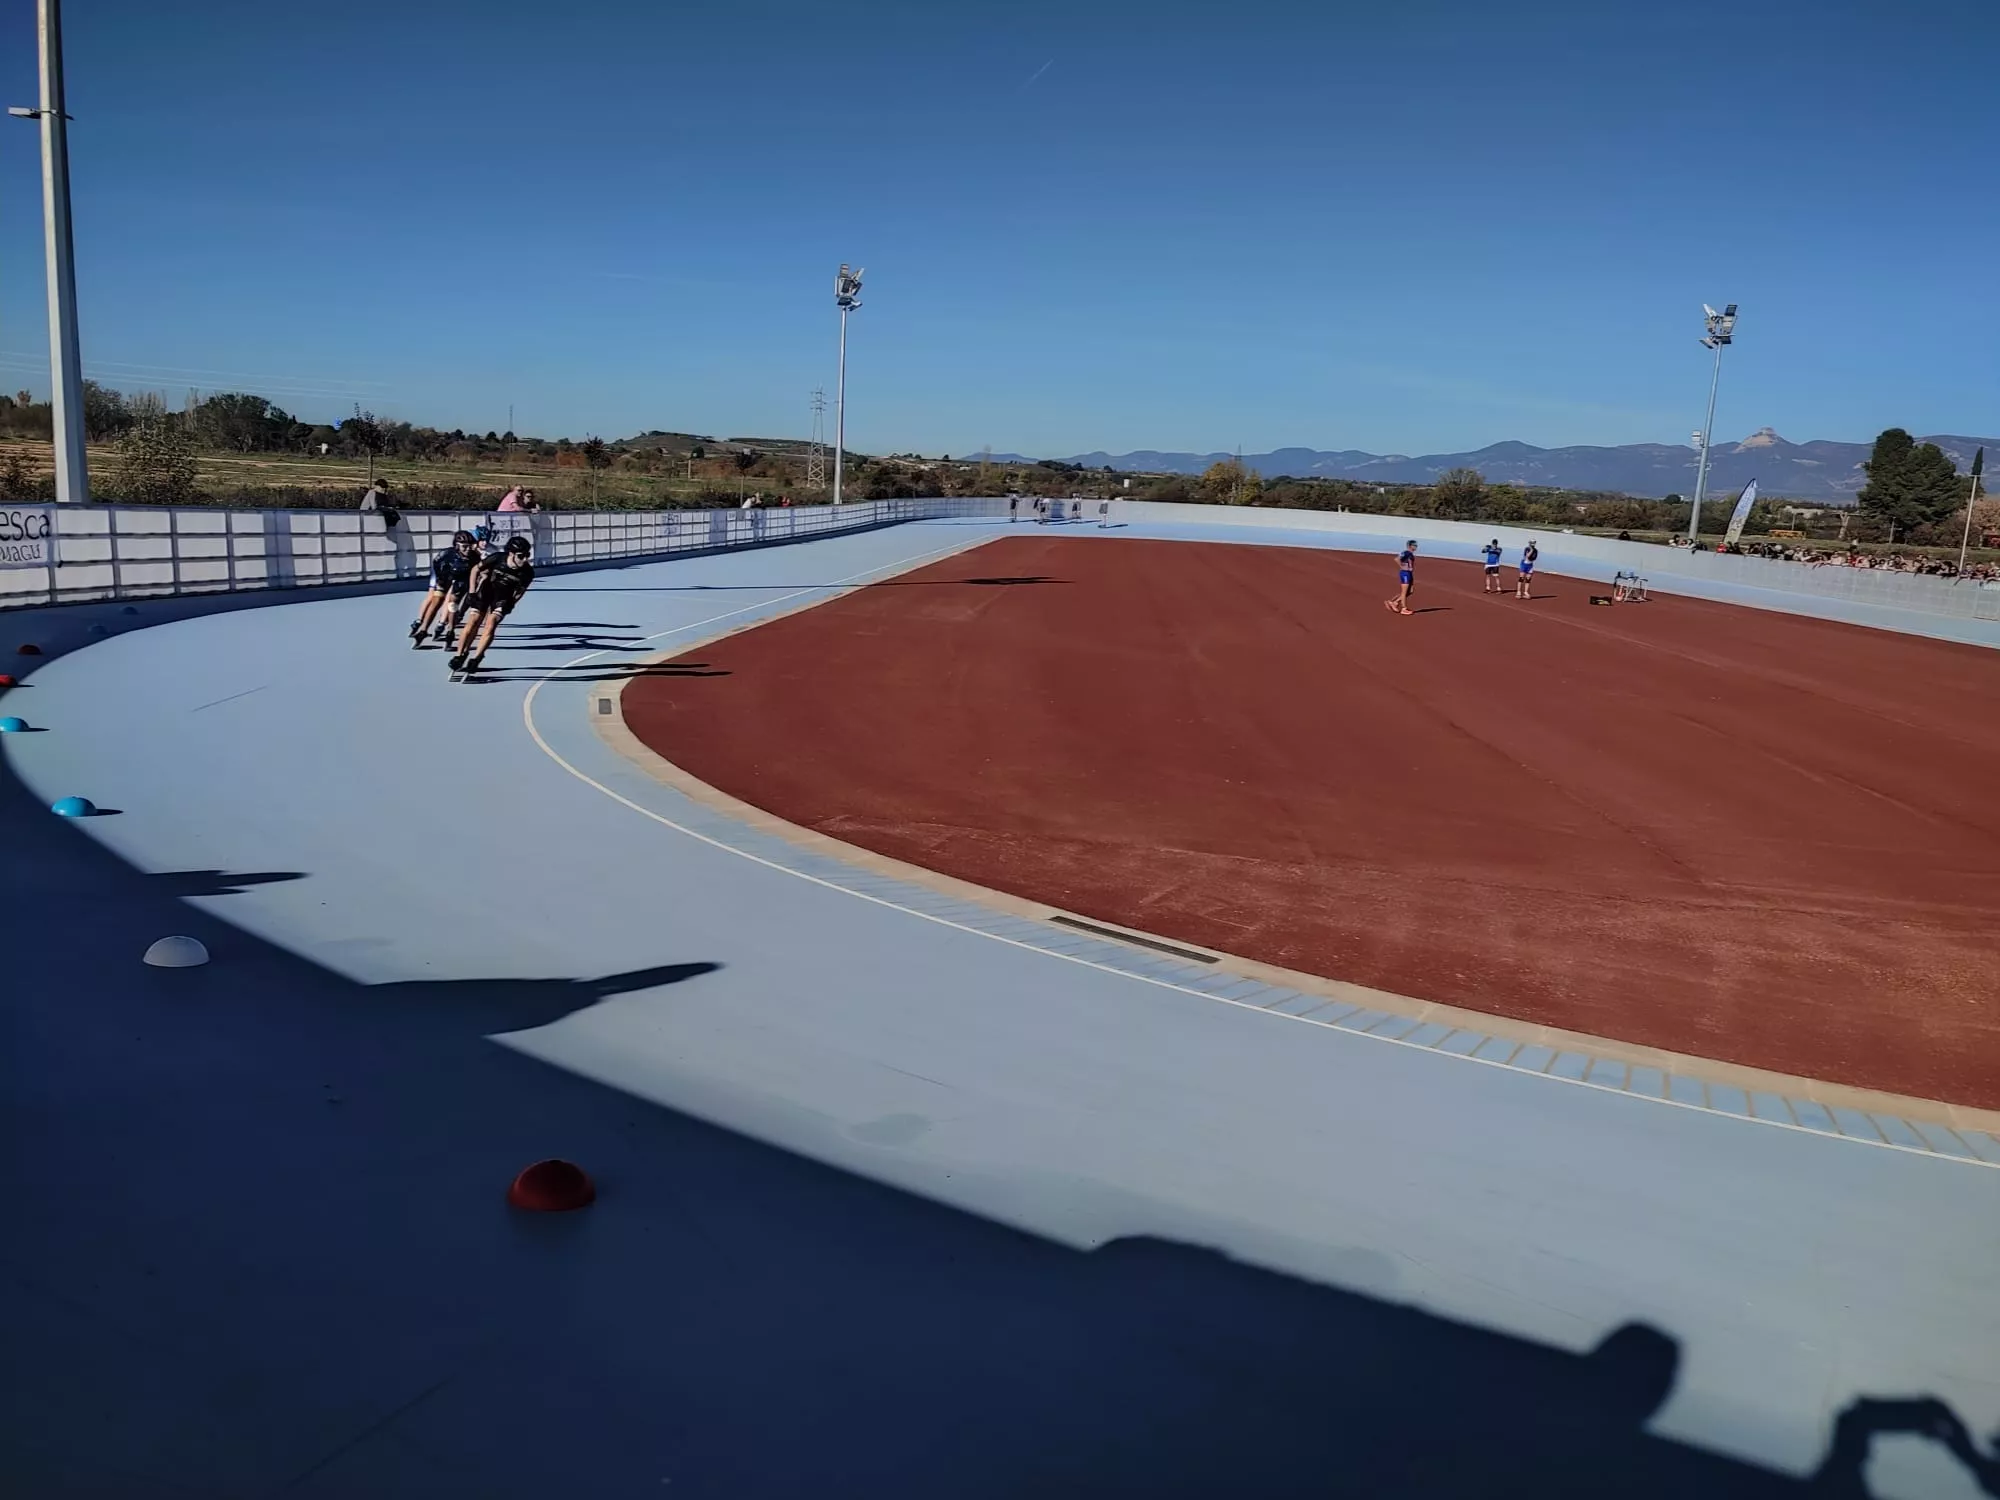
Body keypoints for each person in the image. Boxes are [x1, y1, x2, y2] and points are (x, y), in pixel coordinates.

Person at [449, 535, 535, 675]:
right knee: (473, 622)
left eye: (527, 555)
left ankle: (476, 658)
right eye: (521, 556)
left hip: (502, 597)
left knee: (491, 624)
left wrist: (512, 603)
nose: (525, 559)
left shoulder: (528, 572)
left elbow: (520, 591)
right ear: (511, 554)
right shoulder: (497, 558)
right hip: (486, 591)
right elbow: (475, 570)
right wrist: (471, 592)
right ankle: (460, 655)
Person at [409, 530, 480, 647]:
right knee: (437, 600)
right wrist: (441, 579)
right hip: (445, 575)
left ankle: (450, 630)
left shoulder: (475, 557)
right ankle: (423, 629)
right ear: (456, 545)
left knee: (453, 604)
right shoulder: (447, 554)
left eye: (470, 546)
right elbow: (436, 562)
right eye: (464, 547)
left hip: (462, 579)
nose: (468, 549)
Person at [1384, 539, 1417, 615]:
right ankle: (1403, 608)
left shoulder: (1410, 554)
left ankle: (1394, 602)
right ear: (1409, 546)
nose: (1416, 547)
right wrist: (1402, 566)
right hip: (1405, 573)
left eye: (1416, 545)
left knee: (1410, 591)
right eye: (1414, 545)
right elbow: (1397, 559)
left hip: (1409, 573)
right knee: (1404, 592)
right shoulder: (1406, 553)